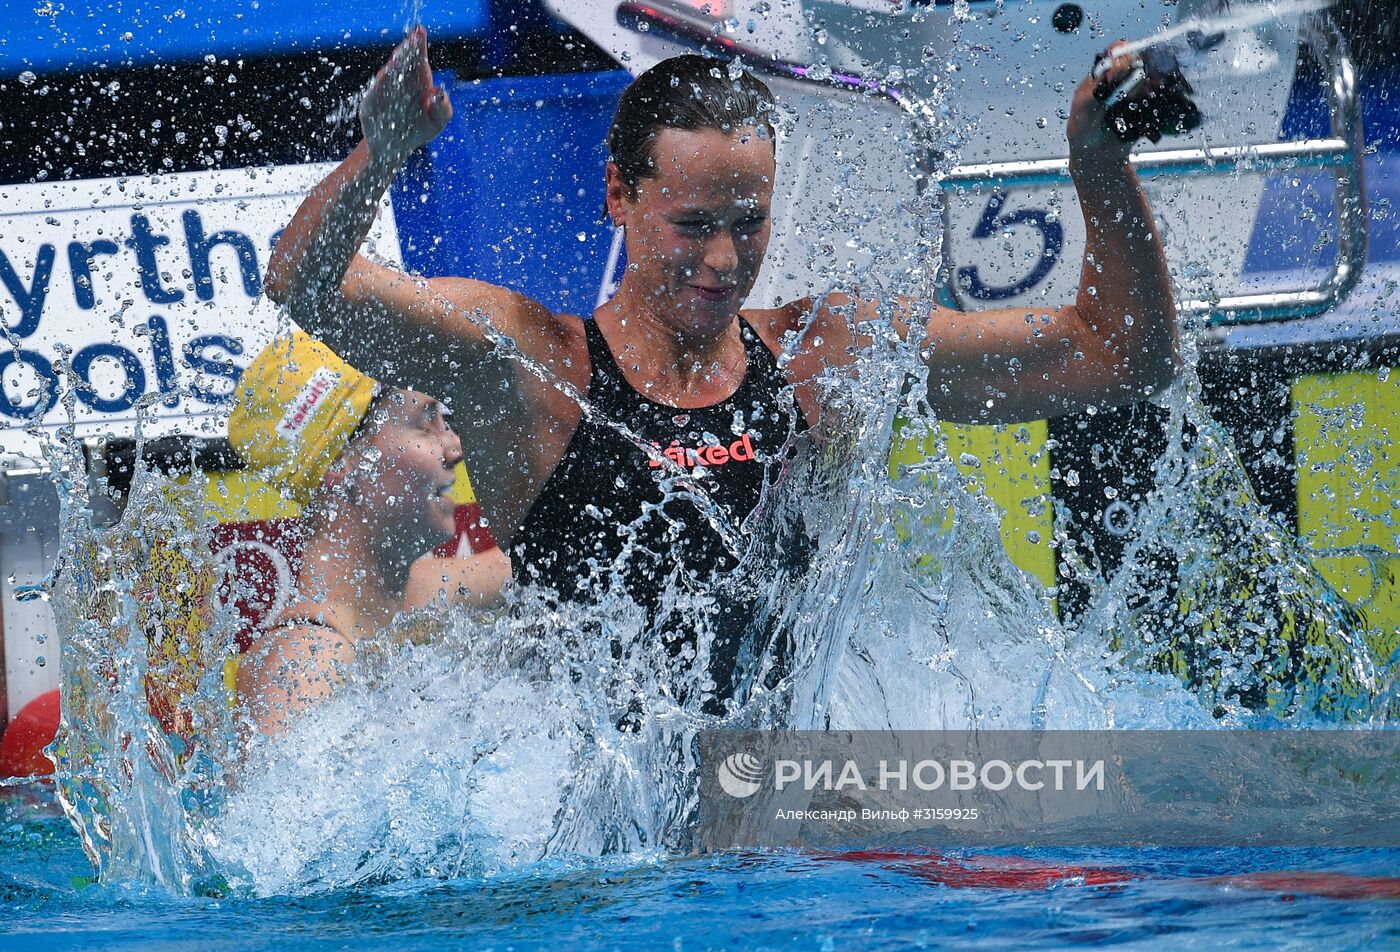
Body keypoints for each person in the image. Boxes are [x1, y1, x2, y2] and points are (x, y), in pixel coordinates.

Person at [264, 28, 1177, 711]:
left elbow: (1117, 355)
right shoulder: (535, 367)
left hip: (796, 810)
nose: (724, 260)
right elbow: (306, 283)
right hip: (622, 842)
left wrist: (1097, 161)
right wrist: (377, 155)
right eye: (693, 224)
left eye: (749, 222)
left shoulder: (832, 351)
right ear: (619, 195)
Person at [228, 330, 509, 738]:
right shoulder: (302, 669)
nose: (454, 448)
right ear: (341, 464)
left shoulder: (422, 598)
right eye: (425, 424)